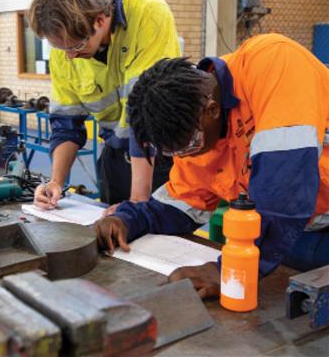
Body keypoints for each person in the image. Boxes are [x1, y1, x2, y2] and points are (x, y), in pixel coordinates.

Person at [94, 33, 329, 298]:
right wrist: (126, 220)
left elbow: (285, 190)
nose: (187, 156)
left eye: (187, 145)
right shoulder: (198, 130)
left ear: (213, 110)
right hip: (299, 234)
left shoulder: (273, 61)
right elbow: (179, 204)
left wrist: (230, 271)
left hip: (295, 226)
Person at [28, 0, 180, 211]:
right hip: (116, 159)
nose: (70, 56)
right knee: (111, 239)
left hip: (162, 159)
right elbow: (66, 124)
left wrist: (137, 207)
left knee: (164, 242)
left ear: (100, 20)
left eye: (76, 46)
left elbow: (143, 115)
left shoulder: (148, 15)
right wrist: (55, 182)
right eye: (61, 48)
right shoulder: (65, 50)